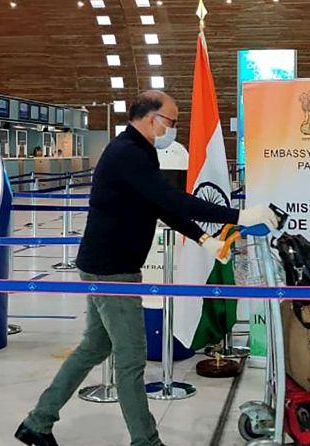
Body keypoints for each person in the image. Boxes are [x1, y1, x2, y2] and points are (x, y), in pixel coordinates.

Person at [16, 90, 280, 446]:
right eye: (171, 121)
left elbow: (160, 207)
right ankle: (146, 441)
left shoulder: (140, 152)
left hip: (105, 265)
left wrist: (204, 239)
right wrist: (239, 215)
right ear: (150, 117)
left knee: (94, 347)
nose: (173, 128)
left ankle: (37, 422)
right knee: (130, 360)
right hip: (112, 271)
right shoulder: (127, 153)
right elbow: (174, 199)